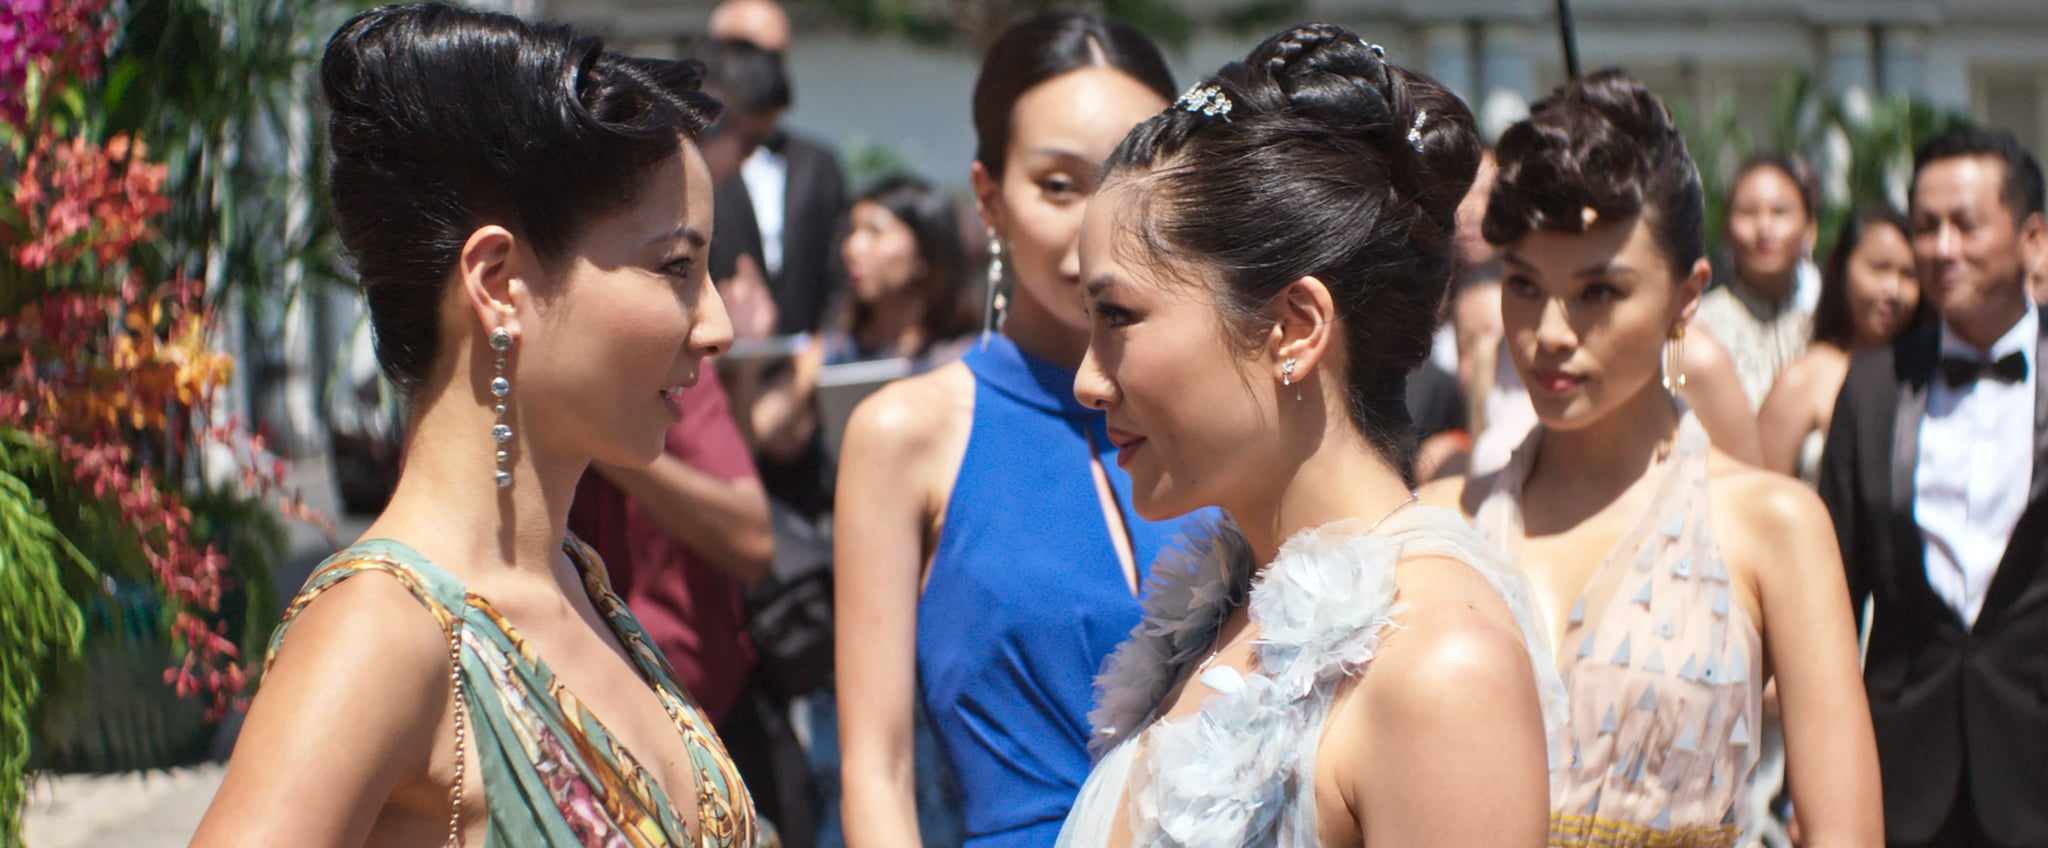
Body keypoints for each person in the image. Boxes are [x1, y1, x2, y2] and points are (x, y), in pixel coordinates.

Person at [193, 4, 764, 846]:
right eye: (675, 267)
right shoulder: (380, 634)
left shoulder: (577, 580)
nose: (716, 324)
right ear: (499, 282)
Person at [1058, 25, 1564, 847]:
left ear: (1294, 327)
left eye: (1119, 316)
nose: (1088, 376)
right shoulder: (1216, 614)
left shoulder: (1441, 668)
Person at [1426, 69, 1882, 846]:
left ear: (1686, 297)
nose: (1552, 331)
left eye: (1599, 291)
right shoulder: (1438, 525)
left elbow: (1844, 833)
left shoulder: (1774, 528)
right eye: (1525, 285)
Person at [833, 13, 1196, 847]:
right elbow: (875, 771)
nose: (1097, 225)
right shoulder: (908, 434)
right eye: (1060, 186)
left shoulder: (1228, 417)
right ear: (989, 197)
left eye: (1130, 183)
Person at [1818, 127, 2048, 848]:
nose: (1942, 247)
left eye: (1966, 224)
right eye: (1925, 226)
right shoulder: (1872, 386)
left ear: (2033, 237)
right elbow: (1831, 601)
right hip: (1902, 780)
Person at [1758, 206, 1924, 484]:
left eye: (1908, 275)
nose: (1893, 290)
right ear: (1843, 268)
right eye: (1879, 269)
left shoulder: (1928, 375)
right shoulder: (1805, 379)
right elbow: (1756, 497)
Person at [698, 37, 848, 339]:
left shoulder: (818, 164)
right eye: (745, 142)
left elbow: (837, 270)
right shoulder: (677, 184)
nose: (746, 156)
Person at [1693, 154, 1820, 410]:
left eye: (1780, 212)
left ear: (1810, 228)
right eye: (1748, 212)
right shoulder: (1700, 327)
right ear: (1726, 230)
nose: (1764, 227)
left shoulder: (1827, 323)